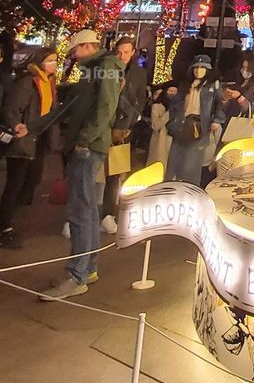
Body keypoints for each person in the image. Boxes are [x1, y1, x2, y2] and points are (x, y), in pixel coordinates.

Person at [40, 30, 122, 300]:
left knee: (80, 210)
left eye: (76, 50)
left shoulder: (104, 67)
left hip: (88, 147)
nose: (73, 55)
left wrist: (85, 139)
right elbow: (84, 98)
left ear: (88, 46)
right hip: (87, 144)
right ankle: (87, 269)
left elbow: (106, 106)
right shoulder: (95, 69)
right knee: (86, 209)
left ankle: (78, 274)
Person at [0, 46, 57, 247]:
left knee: (31, 181)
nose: (54, 64)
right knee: (16, 184)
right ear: (40, 61)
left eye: (55, 60)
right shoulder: (28, 82)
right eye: (50, 60)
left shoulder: (48, 83)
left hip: (37, 139)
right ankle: (4, 226)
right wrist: (17, 125)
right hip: (22, 139)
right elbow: (11, 109)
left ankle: (7, 221)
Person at [100, 36, 148, 234]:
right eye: (119, 52)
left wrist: (130, 122)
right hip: (103, 125)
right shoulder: (106, 69)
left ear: (133, 52)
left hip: (123, 127)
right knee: (93, 171)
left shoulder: (138, 73)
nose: (123, 56)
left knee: (115, 173)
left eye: (127, 52)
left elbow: (139, 99)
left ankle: (108, 214)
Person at [166, 55, 224, 185]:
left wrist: (216, 120)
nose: (198, 71)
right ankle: (173, 188)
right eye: (196, 68)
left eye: (202, 68)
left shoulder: (213, 85)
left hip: (199, 126)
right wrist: (171, 97)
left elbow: (219, 103)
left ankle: (190, 189)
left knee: (192, 164)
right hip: (181, 124)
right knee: (175, 160)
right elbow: (176, 105)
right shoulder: (185, 84)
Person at [222, 53, 254, 121]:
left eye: (248, 68)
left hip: (245, 123)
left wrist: (240, 98)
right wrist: (225, 99)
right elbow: (226, 109)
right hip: (231, 121)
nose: (244, 71)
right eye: (243, 67)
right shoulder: (238, 82)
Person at [146, 85, 172, 172]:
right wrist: (168, 115)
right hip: (160, 139)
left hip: (168, 138)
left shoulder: (172, 105)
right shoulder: (156, 106)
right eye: (156, 93)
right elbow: (155, 125)